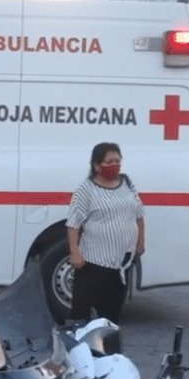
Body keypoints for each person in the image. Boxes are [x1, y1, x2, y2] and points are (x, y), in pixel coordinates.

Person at [66, 142, 145, 353]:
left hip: (121, 262)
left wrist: (140, 242)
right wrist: (75, 252)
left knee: (111, 317)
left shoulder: (127, 183)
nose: (115, 165)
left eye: (118, 161)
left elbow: (138, 213)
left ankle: (111, 356)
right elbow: (73, 223)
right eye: (109, 162)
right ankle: (79, 356)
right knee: (81, 317)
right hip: (93, 263)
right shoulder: (86, 189)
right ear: (97, 165)